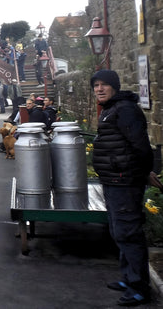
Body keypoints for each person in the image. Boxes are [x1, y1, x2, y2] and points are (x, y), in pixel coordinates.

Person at [90, 70, 153, 306]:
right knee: (119, 232)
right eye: (96, 85)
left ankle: (139, 288)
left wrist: (144, 173)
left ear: (115, 86)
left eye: (105, 84)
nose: (99, 88)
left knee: (128, 233)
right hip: (114, 181)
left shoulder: (125, 110)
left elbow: (142, 146)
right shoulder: (111, 109)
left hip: (125, 182)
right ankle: (129, 278)